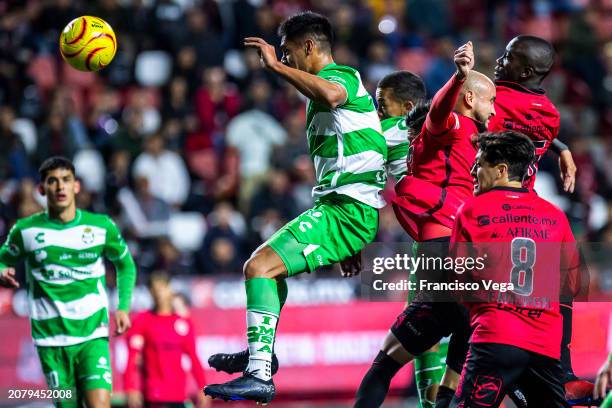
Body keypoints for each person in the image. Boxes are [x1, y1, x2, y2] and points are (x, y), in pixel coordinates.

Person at [204, 11, 387, 404]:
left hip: (346, 212)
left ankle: (258, 374)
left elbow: (332, 95)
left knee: (258, 266)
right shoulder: (327, 95)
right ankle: (261, 356)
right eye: (280, 56)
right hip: (344, 210)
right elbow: (364, 155)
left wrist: (273, 67)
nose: (284, 61)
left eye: (288, 53)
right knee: (270, 270)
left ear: (309, 47)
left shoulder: (343, 79)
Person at [354, 41, 496, 408]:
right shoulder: (450, 127)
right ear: (468, 100)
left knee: (386, 362)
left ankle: (444, 396)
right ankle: (449, 396)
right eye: (488, 102)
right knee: (482, 325)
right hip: (447, 247)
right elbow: (438, 115)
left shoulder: (465, 137)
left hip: (436, 252)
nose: (493, 110)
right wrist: (458, 76)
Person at [487, 34, 592, 406]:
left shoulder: (492, 97)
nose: (499, 60)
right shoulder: (549, 112)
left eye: (508, 56)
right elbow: (535, 133)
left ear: (527, 69)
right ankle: (562, 371)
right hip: (524, 213)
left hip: (492, 209)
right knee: (561, 275)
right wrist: (562, 148)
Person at [448, 130, 578, 407]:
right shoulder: (555, 216)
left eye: (479, 163)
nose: (472, 170)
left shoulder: (471, 210)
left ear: (502, 170)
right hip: (545, 345)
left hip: (495, 337)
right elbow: (568, 287)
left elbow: (458, 284)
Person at [0, 156, 136, 408]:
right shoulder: (25, 231)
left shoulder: (100, 227)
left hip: (92, 335)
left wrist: (124, 307)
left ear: (76, 186)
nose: (60, 187)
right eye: (53, 181)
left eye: (66, 180)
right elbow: (2, 258)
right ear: (42, 189)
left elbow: (125, 264)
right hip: (50, 341)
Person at [124, 272, 211, 408]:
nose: (159, 294)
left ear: (170, 289)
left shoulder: (183, 323)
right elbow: (131, 357)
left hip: (178, 396)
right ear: (150, 292)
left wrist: (202, 387)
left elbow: (193, 357)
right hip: (153, 395)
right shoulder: (143, 320)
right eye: (155, 289)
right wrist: (130, 388)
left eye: (162, 288)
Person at [376, 71, 426, 181]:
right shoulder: (437, 127)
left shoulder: (394, 126)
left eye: (383, 106)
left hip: (411, 194)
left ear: (408, 108)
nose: (378, 113)